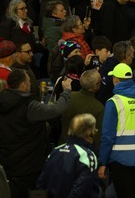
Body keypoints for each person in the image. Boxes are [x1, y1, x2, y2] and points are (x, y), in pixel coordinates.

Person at [0, 69, 72, 198]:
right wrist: (66, 91)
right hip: (29, 164)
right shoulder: (29, 106)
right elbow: (56, 110)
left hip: (8, 161)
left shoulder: (2, 101)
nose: (30, 85)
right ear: (23, 85)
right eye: (28, 82)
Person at [98, 63, 135, 198]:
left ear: (116, 80)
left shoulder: (114, 102)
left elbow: (107, 136)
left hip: (119, 159)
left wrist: (103, 162)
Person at [36, 113, 101, 198]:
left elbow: (41, 182)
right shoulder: (87, 156)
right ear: (89, 134)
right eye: (94, 130)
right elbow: (80, 189)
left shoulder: (55, 151)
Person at [60, 69, 104, 153]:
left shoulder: (67, 97)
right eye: (100, 81)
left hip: (63, 147)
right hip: (84, 153)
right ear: (95, 86)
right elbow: (97, 138)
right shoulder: (99, 108)